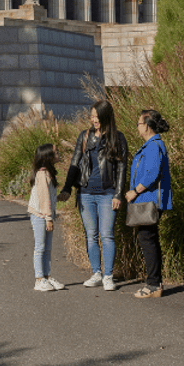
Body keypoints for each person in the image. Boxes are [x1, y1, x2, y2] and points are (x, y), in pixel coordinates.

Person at [57, 99, 129, 291]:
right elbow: (75, 163)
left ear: (106, 117)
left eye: (97, 117)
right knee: (91, 235)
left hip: (107, 193)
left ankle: (108, 276)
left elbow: (122, 168)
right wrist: (67, 188)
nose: (93, 120)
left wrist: (118, 194)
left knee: (107, 235)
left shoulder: (117, 138)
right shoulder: (85, 136)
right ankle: (96, 273)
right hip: (86, 193)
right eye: (92, 117)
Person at [124, 109, 172, 298]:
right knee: (149, 239)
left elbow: (151, 174)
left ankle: (153, 284)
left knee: (148, 240)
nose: (137, 127)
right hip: (147, 201)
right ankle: (154, 282)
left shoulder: (153, 146)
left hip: (149, 201)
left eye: (139, 123)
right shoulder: (152, 145)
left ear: (147, 125)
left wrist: (134, 191)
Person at [27, 143, 66, 291]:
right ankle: (39, 279)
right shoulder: (42, 173)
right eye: (56, 152)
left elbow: (49, 195)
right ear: (48, 156)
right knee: (40, 247)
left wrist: (59, 197)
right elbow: (43, 197)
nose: (58, 153)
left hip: (46, 214)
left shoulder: (49, 173)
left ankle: (47, 276)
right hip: (40, 215)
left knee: (48, 248)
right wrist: (48, 218)